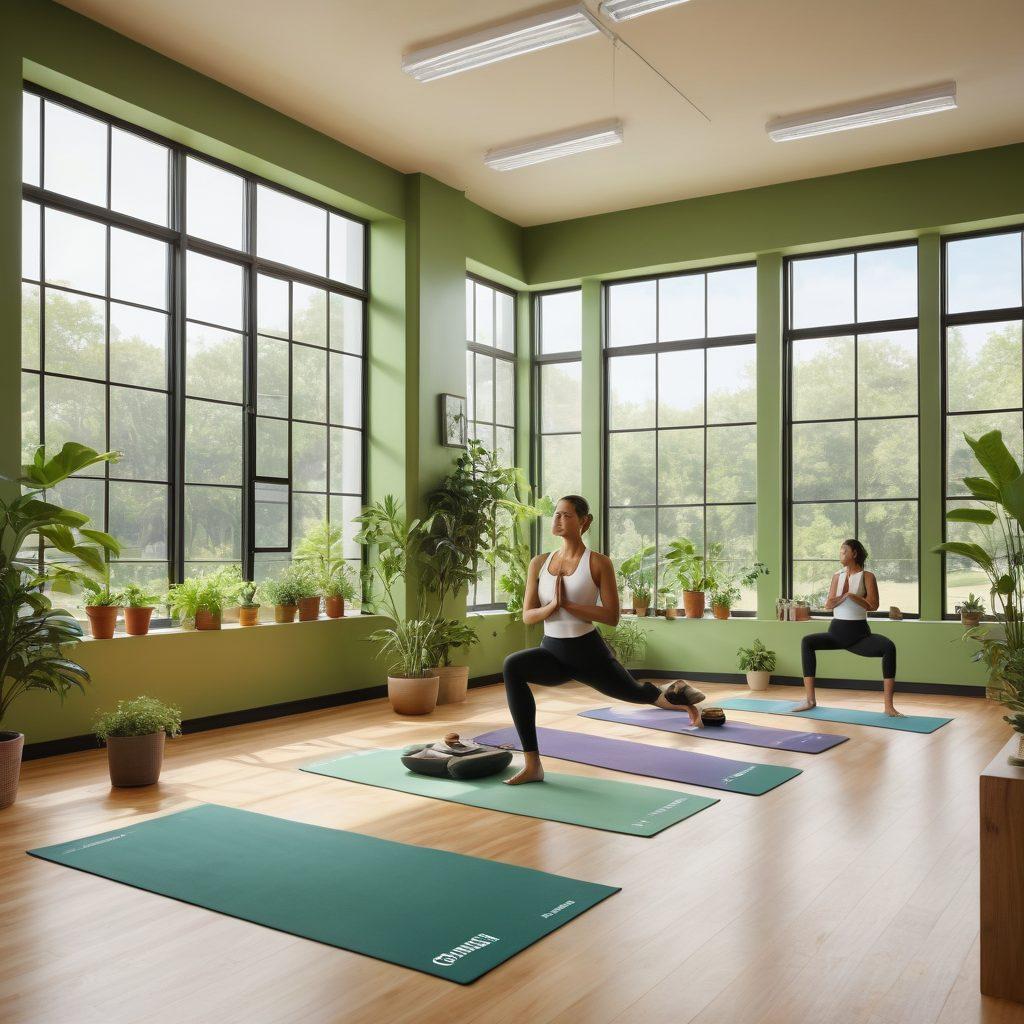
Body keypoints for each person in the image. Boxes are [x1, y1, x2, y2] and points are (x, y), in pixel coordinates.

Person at [502, 495, 705, 785]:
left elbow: (611, 616)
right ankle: (533, 764)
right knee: (513, 666)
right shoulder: (539, 563)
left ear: (584, 522)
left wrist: (569, 606)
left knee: (635, 692)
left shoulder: (598, 563)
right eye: (556, 514)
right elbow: (528, 615)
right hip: (552, 652)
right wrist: (552, 607)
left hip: (588, 654)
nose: (558, 520)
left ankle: (680, 697)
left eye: (566, 515)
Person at [796, 538, 902, 717]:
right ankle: (810, 700)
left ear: (854, 553)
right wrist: (843, 597)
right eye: (840, 551)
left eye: (844, 551)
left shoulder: (868, 576)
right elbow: (828, 604)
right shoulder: (837, 576)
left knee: (888, 647)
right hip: (836, 632)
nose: (841, 555)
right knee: (807, 642)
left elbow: (873, 605)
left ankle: (888, 707)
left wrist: (852, 596)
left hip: (859, 636)